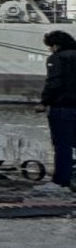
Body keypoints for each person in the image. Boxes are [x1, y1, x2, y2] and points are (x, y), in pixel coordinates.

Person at [42, 30, 76, 188]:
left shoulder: (57, 58)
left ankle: (60, 181)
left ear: (56, 45)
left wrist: (44, 102)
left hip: (63, 107)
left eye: (50, 46)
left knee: (63, 146)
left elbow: (54, 83)